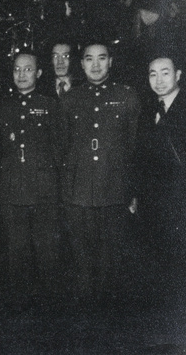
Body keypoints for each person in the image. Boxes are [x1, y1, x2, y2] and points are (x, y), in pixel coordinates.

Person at [61, 42, 141, 307]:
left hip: (114, 190)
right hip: (78, 193)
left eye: (101, 58)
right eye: (89, 59)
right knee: (81, 261)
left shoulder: (128, 96)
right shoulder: (70, 99)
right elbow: (62, 148)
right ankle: (84, 322)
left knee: (111, 261)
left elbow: (134, 148)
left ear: (111, 62)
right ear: (81, 64)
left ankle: (109, 320)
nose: (95, 65)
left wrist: (131, 192)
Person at [136, 55, 186, 319]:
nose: (158, 80)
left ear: (178, 74)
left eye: (165, 73)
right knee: (157, 266)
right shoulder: (148, 109)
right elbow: (142, 157)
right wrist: (136, 194)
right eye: (152, 74)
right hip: (154, 203)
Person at [0, 52, 63, 305]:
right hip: (11, 188)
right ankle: (20, 303)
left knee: (47, 249)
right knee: (16, 249)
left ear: (39, 73)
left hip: (44, 189)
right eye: (17, 70)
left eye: (28, 69)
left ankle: (50, 303)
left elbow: (59, 148)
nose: (22, 75)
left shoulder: (51, 105)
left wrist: (58, 186)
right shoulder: (1, 106)